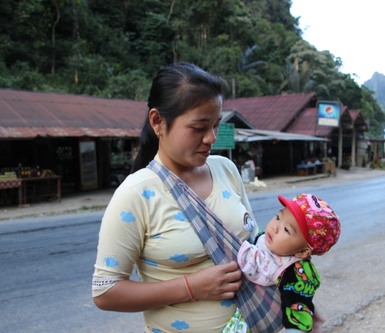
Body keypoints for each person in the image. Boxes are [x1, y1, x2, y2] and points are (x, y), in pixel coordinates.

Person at [92, 62, 260, 333]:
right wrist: (191, 287)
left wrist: (295, 299)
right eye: (199, 127)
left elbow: (255, 247)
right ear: (157, 121)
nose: (211, 138)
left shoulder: (225, 170)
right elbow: (105, 292)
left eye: (216, 125)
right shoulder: (135, 194)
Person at [237, 193, 341, 332]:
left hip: (258, 319)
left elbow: (298, 314)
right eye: (278, 217)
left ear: (302, 252)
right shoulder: (264, 237)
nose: (275, 227)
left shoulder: (294, 271)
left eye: (286, 229)